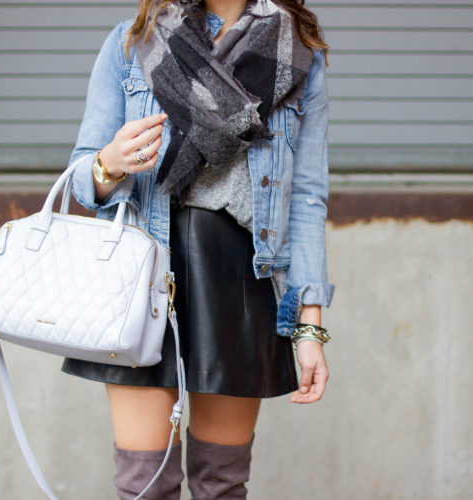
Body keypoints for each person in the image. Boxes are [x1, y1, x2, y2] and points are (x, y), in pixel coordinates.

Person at [61, 0, 335, 497]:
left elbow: (307, 198)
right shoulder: (133, 42)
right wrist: (111, 161)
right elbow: (83, 178)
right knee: (144, 484)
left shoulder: (297, 54)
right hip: (140, 278)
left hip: (240, 280)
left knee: (222, 483)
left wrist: (309, 326)